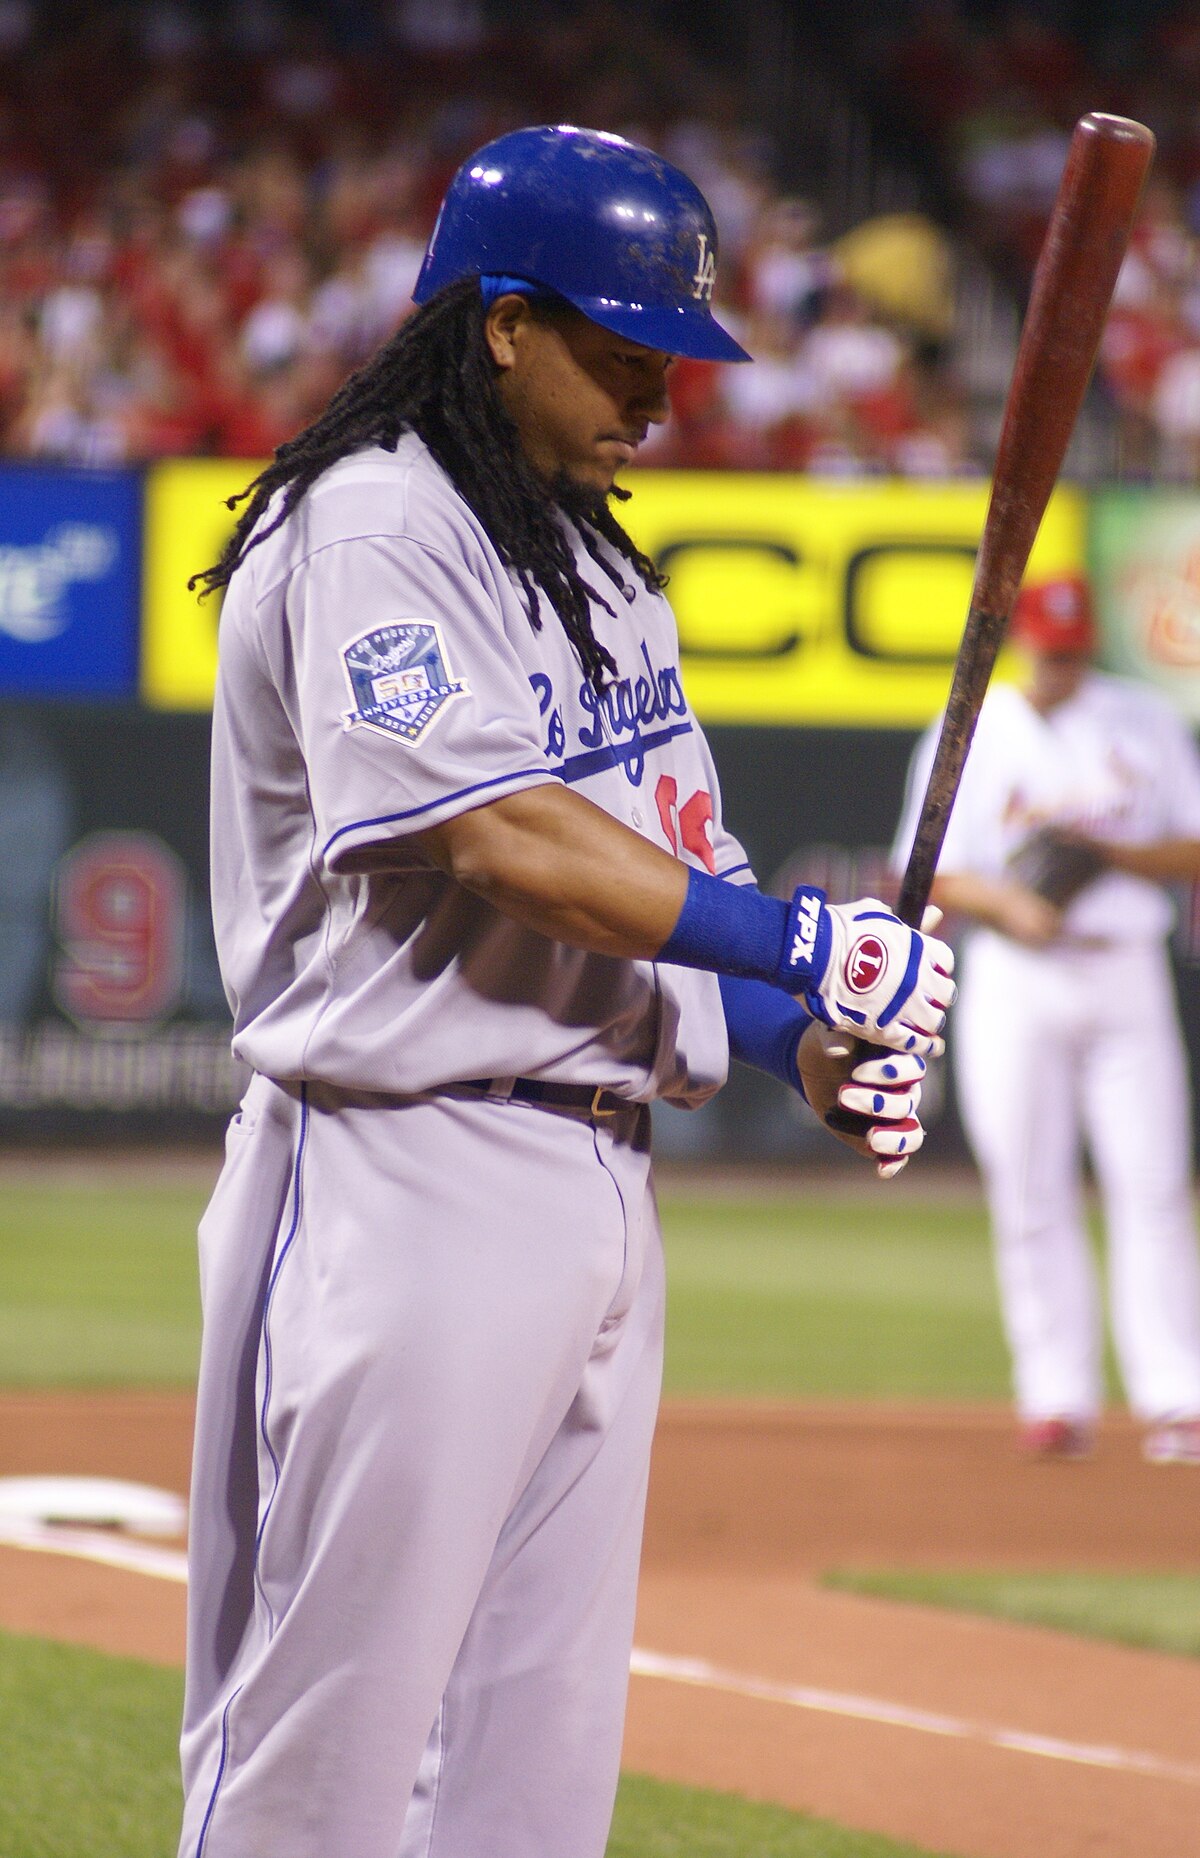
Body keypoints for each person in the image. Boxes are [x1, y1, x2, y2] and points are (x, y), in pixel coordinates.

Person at [177, 124, 955, 1858]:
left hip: (598, 1174)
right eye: (619, 345)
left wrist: (799, 1041)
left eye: (669, 352)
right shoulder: (373, 519)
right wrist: (809, 947)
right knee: (330, 1739)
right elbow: (500, 839)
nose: (657, 391)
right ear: (501, 320)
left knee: (531, 1763)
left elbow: (676, 864)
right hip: (403, 1167)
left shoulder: (594, 557)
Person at [894, 572, 1200, 1464]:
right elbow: (930, 869)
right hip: (1018, 978)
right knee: (1029, 1189)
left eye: (1073, 650)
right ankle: (1056, 1398)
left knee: (1151, 1185)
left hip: (1124, 969)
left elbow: (1191, 844)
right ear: (1023, 639)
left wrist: (1113, 854)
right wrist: (1009, 906)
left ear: (1088, 645)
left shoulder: (1142, 720)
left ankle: (1177, 1395)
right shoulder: (975, 727)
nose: (1059, 664)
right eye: (1047, 648)